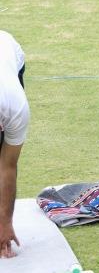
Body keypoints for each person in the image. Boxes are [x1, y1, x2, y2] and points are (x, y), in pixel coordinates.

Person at [0, 31, 29, 259]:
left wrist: (5, 223)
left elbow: (8, 167)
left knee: (3, 158)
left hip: (9, 52)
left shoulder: (15, 107)